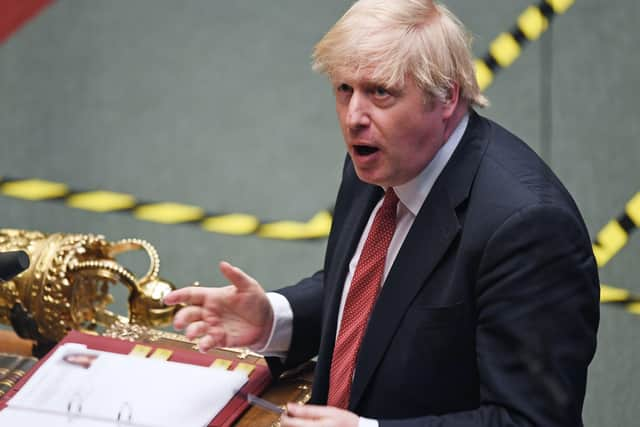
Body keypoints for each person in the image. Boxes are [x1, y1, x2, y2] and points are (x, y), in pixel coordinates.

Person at [164, 0, 599, 425]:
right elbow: (376, 289)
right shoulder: (378, 161)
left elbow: (531, 419)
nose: (354, 117)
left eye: (380, 92)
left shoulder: (530, 229)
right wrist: (276, 318)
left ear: (445, 96)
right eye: (344, 89)